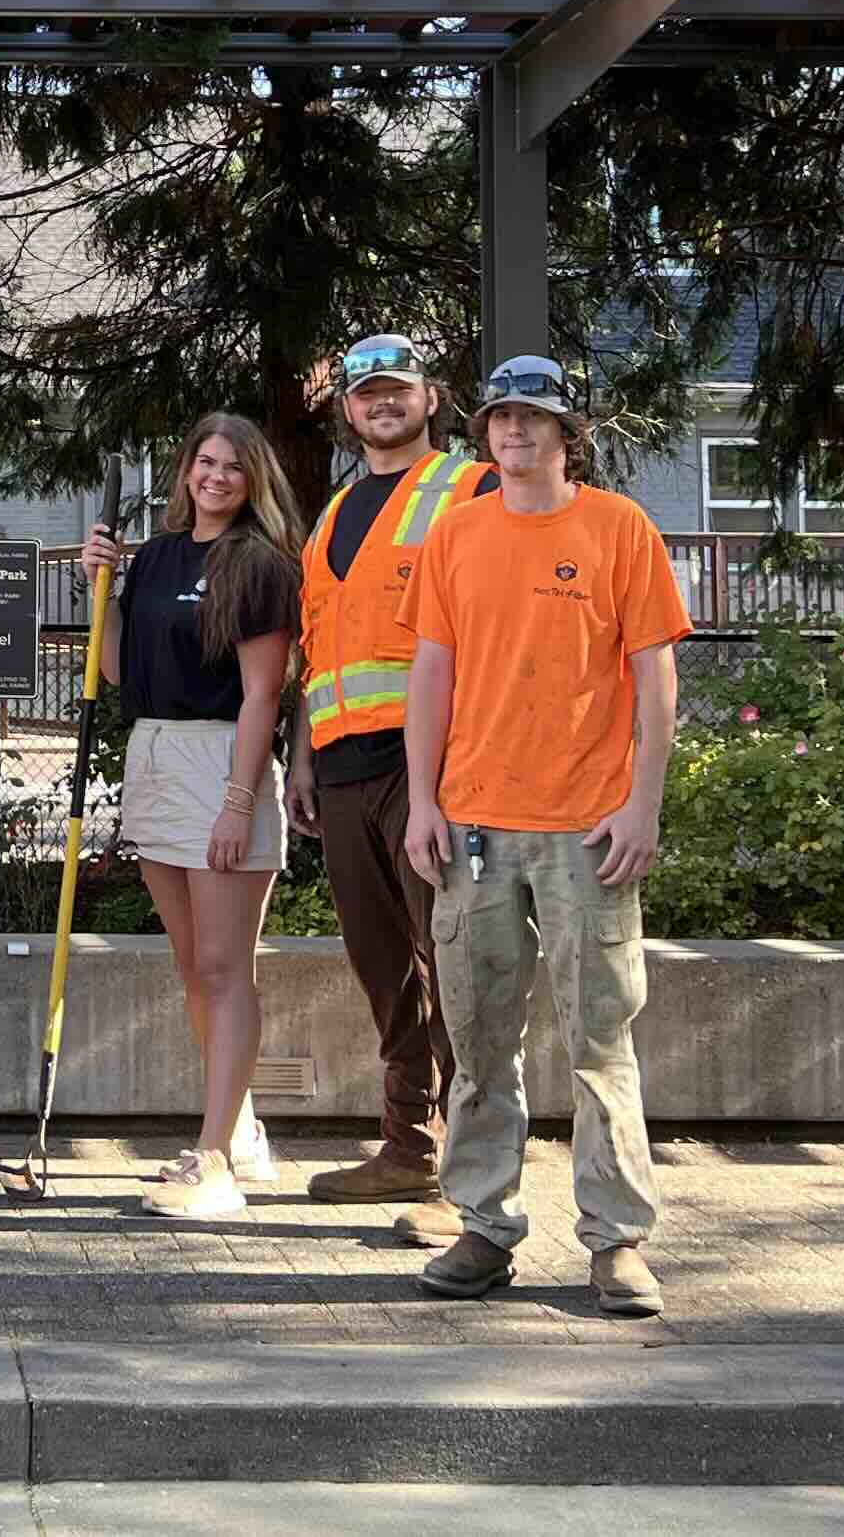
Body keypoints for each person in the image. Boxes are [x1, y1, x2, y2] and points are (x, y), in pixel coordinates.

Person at [402, 354, 691, 1318]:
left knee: (598, 1039)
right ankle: (484, 1228)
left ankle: (617, 1243)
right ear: (482, 433)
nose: (515, 433)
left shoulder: (617, 528)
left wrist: (640, 805)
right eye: (500, 419)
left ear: (568, 434)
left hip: (585, 826)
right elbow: (430, 680)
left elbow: (654, 682)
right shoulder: (455, 535)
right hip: (474, 822)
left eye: (534, 419)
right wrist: (423, 801)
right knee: (479, 1039)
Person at [287, 335, 498, 1234]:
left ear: (431, 399)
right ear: (347, 410)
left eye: (397, 390)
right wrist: (299, 759)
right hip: (338, 771)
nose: (381, 403)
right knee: (385, 967)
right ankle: (406, 1145)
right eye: (366, 392)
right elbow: (315, 652)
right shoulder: (332, 515)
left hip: (430, 770)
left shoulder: (470, 488)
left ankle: (467, 1174)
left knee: (453, 963)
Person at [79, 412, 303, 1221]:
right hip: (154, 753)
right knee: (190, 966)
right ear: (184, 470)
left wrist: (239, 802)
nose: (214, 477)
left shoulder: (258, 565)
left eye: (231, 468)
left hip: (221, 760)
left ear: (252, 481)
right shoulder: (155, 558)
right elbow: (111, 668)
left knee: (223, 967)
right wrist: (99, 589)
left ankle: (212, 1162)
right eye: (203, 462)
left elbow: (261, 695)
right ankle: (239, 1132)